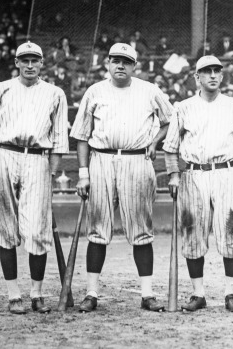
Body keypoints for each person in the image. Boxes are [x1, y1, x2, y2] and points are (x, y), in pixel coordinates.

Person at [70, 43, 174, 313]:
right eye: (115, 60)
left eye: (126, 62)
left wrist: (155, 142)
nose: (120, 65)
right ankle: (91, 293)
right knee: (97, 230)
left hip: (137, 160)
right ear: (107, 63)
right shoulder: (95, 91)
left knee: (141, 230)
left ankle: (147, 294)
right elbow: (81, 136)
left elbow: (171, 120)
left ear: (134, 66)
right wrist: (83, 174)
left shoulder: (149, 90)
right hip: (101, 160)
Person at [0, 41, 69, 314]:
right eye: (24, 60)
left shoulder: (55, 93)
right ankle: (14, 294)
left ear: (42, 64)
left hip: (37, 157)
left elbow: (60, 139)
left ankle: (37, 294)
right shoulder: (0, 89)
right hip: (2, 153)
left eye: (34, 60)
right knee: (5, 226)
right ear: (16, 63)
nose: (29, 65)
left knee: (37, 229)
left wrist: (50, 171)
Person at [163, 55, 233, 313]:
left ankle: (230, 292)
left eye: (217, 71)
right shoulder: (183, 107)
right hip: (194, 175)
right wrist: (174, 175)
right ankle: (199, 294)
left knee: (231, 231)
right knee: (193, 233)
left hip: (226, 173)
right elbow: (171, 146)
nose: (213, 76)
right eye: (207, 72)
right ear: (197, 77)